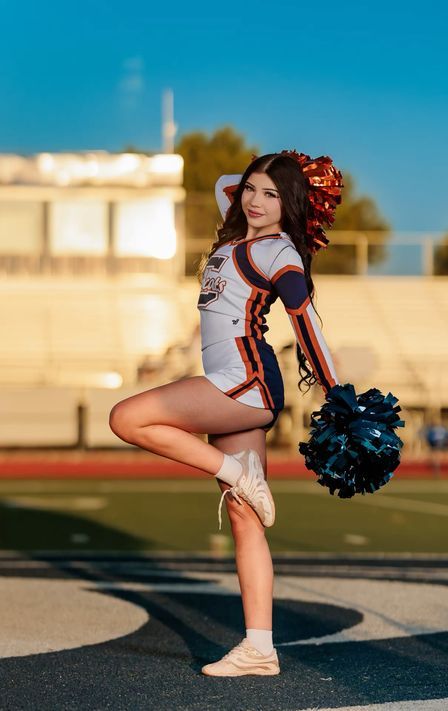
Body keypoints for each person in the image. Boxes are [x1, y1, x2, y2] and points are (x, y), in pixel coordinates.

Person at [108, 151, 342, 677]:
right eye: (253, 190)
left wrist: (336, 391)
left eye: (271, 195)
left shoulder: (278, 251)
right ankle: (260, 648)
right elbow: (222, 183)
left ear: (292, 205)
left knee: (127, 418)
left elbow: (308, 325)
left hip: (243, 381)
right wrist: (278, 175)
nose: (255, 201)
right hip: (234, 384)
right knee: (245, 516)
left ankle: (239, 473)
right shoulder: (238, 234)